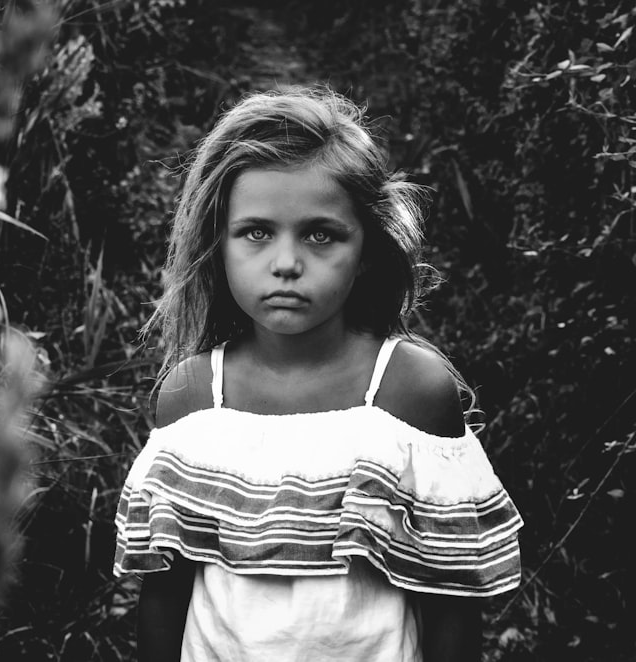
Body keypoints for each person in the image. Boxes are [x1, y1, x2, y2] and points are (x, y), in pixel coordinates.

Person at [113, 87, 523, 662]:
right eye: (256, 232)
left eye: (320, 234)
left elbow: (449, 604)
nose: (285, 262)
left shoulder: (410, 392)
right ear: (218, 243)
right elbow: (164, 596)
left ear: (368, 251)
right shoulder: (192, 397)